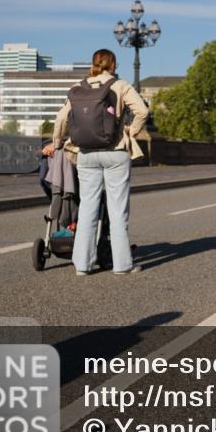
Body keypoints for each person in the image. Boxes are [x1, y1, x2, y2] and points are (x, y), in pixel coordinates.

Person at [43, 48, 147, 276]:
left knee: (88, 208)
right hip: (115, 152)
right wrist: (131, 132)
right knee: (117, 210)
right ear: (113, 65)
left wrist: (58, 143)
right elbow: (142, 111)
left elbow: (61, 118)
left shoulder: (78, 88)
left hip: (86, 154)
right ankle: (122, 265)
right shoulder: (120, 86)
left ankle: (82, 265)